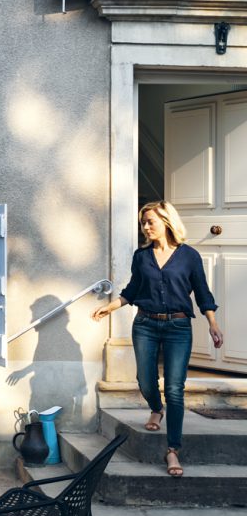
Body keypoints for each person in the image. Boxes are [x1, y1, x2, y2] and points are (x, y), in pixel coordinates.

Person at [92, 200, 223, 478]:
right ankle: (155, 408)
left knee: (175, 387)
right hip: (146, 324)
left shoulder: (189, 256)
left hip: (178, 326)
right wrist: (110, 307)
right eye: (143, 223)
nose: (146, 227)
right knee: (144, 379)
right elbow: (132, 289)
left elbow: (202, 293)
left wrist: (213, 323)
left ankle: (172, 449)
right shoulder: (141, 257)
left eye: (150, 221)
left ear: (166, 222)